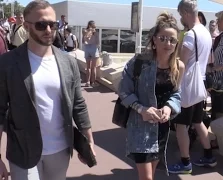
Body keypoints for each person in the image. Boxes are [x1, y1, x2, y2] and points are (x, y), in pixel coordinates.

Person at [0, 1, 95, 180]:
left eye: (53, 24)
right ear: (27, 26)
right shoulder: (8, 63)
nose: (49, 30)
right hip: (23, 150)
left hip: (60, 150)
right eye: (41, 25)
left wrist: (88, 140)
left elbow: (78, 104)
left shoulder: (68, 62)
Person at [118, 12, 184, 180]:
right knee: (146, 177)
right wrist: (142, 109)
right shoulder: (139, 62)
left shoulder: (178, 66)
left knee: (151, 174)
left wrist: (169, 108)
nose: (167, 43)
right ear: (154, 39)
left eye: (172, 40)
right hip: (140, 126)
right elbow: (124, 90)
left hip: (161, 128)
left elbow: (177, 93)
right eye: (163, 38)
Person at [168, 0, 216, 174]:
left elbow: (181, 63)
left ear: (186, 13)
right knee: (198, 121)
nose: (181, 18)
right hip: (200, 84)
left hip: (187, 86)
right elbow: (209, 60)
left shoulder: (190, 35)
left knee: (181, 126)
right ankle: (209, 156)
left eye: (181, 15)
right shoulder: (204, 32)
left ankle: (185, 162)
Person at [82, 20, 100, 87]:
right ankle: (93, 82)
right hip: (94, 49)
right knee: (93, 67)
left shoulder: (84, 31)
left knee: (88, 67)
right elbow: (98, 43)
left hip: (87, 49)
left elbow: (83, 41)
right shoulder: (95, 32)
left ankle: (87, 82)